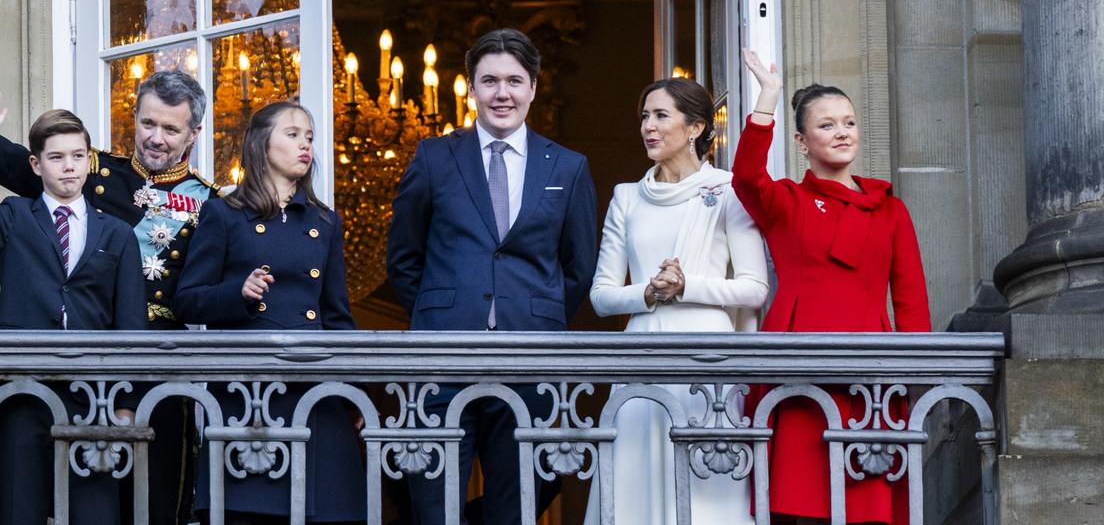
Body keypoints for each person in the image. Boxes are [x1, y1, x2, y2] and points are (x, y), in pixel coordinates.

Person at [0, 28, 215, 525]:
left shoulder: (212, 203)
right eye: (147, 124)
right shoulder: (90, 170)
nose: (156, 138)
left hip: (156, 366)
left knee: (152, 507)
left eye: (170, 129)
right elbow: (6, 156)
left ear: (192, 135)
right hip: (73, 358)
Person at [386, 28, 599, 525]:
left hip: (532, 357)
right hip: (441, 359)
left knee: (518, 507)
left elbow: (578, 266)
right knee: (434, 508)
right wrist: (440, 313)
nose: (502, 93)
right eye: (489, 81)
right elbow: (403, 257)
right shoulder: (434, 156)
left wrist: (535, 314)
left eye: (514, 81)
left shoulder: (567, 166)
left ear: (533, 87)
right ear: (471, 87)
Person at [733, 49, 932, 524]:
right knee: (800, 503)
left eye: (849, 122)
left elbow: (910, 298)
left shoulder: (890, 209)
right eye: (826, 125)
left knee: (868, 503)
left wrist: (917, 377)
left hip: (870, 373)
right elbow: (745, 176)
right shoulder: (787, 201)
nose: (842, 132)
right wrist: (769, 98)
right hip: (799, 369)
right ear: (801, 141)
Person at [0, 87, 146, 525]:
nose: (68, 166)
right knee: (19, 508)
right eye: (55, 157)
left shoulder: (118, 234)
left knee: (94, 512)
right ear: (36, 164)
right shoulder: (14, 218)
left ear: (88, 160)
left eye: (77, 155)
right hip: (21, 391)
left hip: (95, 396)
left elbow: (131, 326)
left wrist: (127, 401)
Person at [584, 77, 767, 525]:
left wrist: (688, 287)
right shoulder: (626, 197)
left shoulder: (727, 190)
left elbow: (754, 288)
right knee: (633, 487)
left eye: (661, 115)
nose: (648, 126)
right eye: (645, 116)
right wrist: (648, 292)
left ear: (695, 127)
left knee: (708, 493)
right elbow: (601, 295)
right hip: (640, 354)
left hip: (710, 359)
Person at [172, 101, 364, 524]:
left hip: (317, 397)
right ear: (262, 144)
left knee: (328, 513)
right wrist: (237, 294)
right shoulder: (225, 214)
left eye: (310, 137)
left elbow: (336, 316)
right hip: (249, 399)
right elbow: (187, 298)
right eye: (293, 134)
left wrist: (354, 399)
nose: (305, 145)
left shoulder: (325, 222)